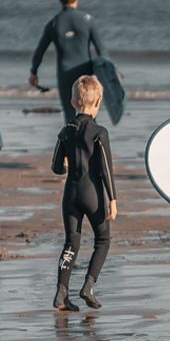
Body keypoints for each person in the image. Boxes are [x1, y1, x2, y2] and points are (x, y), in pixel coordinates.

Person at [51, 75, 118, 311]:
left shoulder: (65, 131)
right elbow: (107, 169)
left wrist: (69, 163)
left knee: (71, 243)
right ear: (98, 101)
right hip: (93, 194)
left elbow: (56, 167)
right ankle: (88, 286)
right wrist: (113, 199)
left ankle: (61, 293)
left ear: (72, 102)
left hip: (70, 194)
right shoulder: (100, 132)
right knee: (103, 240)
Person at [29, 0, 107, 122]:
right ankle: (91, 140)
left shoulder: (53, 24)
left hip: (65, 75)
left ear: (60, 0)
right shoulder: (88, 21)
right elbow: (102, 52)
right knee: (90, 114)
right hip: (86, 76)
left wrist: (34, 72)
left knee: (70, 116)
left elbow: (39, 52)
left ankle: (70, 142)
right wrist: (110, 75)